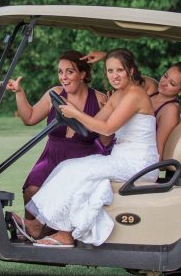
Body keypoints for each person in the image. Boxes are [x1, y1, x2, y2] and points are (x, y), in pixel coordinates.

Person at [18, 49, 159, 247]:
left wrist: (75, 112)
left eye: (119, 70)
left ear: (131, 71)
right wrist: (71, 115)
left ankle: (66, 233)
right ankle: (39, 224)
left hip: (139, 164)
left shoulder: (135, 94)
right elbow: (91, 124)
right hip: (120, 159)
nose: (114, 75)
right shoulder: (118, 95)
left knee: (81, 172)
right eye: (110, 71)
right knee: (67, 167)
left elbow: (108, 128)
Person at [4, 51, 109, 236]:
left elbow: (106, 139)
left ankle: (51, 230)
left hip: (81, 158)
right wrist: (19, 92)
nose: (63, 77)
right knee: (32, 190)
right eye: (60, 72)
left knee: (66, 197)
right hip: (53, 154)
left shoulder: (100, 100)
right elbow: (29, 118)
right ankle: (32, 228)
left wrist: (110, 110)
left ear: (83, 74)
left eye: (69, 72)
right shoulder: (54, 94)